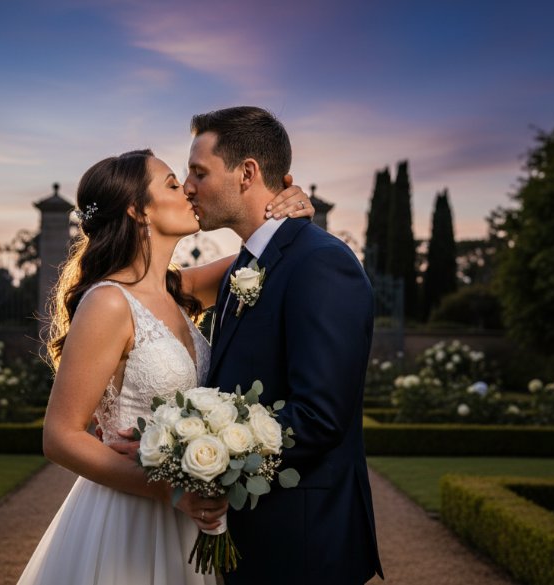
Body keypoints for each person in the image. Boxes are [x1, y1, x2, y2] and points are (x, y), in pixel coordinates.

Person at [15, 148, 314, 584]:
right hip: (131, 515)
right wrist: (171, 489)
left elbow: (269, 254)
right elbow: (59, 437)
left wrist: (291, 210)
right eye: (174, 184)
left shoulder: (179, 290)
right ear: (139, 210)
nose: (189, 190)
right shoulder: (108, 303)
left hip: (191, 516)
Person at [184, 106, 383, 584]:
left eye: (198, 171)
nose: (188, 186)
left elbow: (318, 416)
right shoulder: (243, 267)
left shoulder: (321, 264)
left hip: (301, 542)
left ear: (247, 172)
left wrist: (205, 456)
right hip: (250, 537)